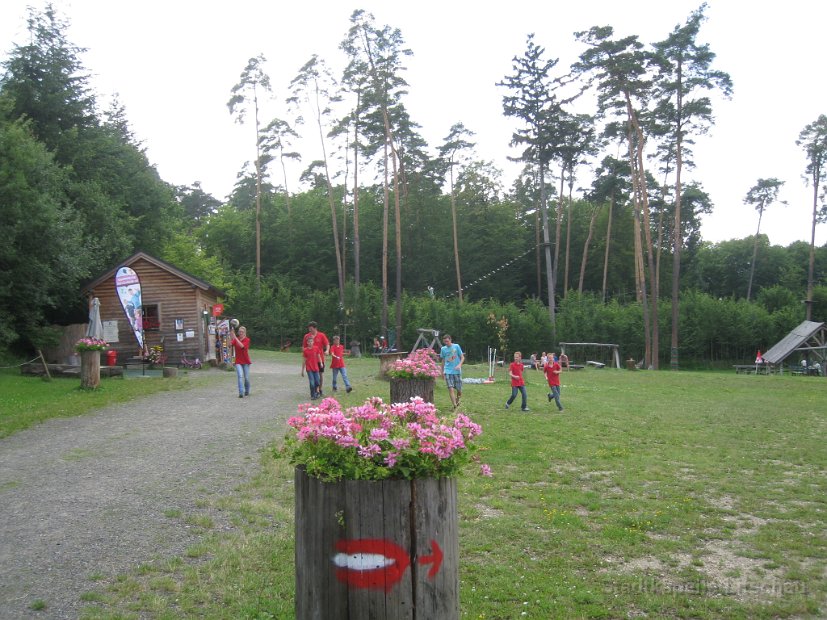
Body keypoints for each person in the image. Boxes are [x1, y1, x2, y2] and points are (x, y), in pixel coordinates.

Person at [303, 321, 330, 395]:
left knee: (320, 375)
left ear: (315, 328)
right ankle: (314, 391)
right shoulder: (306, 336)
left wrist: (327, 350)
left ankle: (319, 390)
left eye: (311, 329)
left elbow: (327, 344)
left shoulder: (321, 335)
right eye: (309, 329)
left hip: (319, 359)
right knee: (312, 376)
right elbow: (304, 347)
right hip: (310, 361)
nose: (309, 330)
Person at [439, 334, 465, 409]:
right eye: (444, 342)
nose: (446, 343)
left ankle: (457, 401)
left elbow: (462, 357)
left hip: (457, 371)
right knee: (450, 388)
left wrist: (459, 365)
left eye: (447, 341)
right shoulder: (443, 349)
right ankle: (454, 405)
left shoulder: (456, 346)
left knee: (459, 390)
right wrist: (442, 371)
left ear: (450, 340)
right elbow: (443, 360)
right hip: (447, 371)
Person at [230, 325, 251, 398]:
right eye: (239, 332)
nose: (240, 333)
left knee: (247, 378)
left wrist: (235, 338)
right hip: (238, 361)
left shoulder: (247, 340)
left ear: (245, 332)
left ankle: (247, 391)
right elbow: (230, 345)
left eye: (242, 332)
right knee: (240, 376)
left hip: (245, 361)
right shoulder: (236, 339)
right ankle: (241, 393)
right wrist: (231, 337)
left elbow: (242, 346)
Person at [301, 335, 322, 400]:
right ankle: (313, 395)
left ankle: (316, 392)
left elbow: (319, 356)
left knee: (317, 382)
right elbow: (304, 360)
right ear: (307, 343)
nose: (310, 343)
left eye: (311, 341)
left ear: (313, 342)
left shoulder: (316, 348)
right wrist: (302, 370)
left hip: (316, 368)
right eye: (309, 342)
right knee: (312, 383)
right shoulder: (305, 350)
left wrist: (321, 363)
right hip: (309, 369)